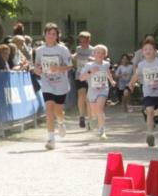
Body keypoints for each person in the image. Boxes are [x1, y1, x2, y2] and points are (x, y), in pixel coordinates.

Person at [33, 22, 72, 150]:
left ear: (57, 36)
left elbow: (70, 66)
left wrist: (59, 68)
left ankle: (61, 122)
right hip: (47, 83)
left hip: (61, 83)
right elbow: (37, 66)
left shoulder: (63, 49)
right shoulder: (39, 50)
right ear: (44, 35)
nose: (51, 36)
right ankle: (51, 139)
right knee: (49, 109)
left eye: (53, 34)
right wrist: (37, 70)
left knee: (58, 111)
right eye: (48, 33)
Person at [131, 36, 158, 147]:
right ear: (142, 53)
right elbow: (136, 75)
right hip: (148, 92)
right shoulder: (141, 64)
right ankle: (150, 134)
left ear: (155, 51)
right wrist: (130, 84)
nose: (148, 51)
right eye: (145, 50)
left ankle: (154, 116)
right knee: (150, 110)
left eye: (150, 49)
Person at [79, 44, 114, 139]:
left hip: (103, 89)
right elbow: (81, 78)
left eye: (103, 53)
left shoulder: (106, 64)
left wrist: (111, 81)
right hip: (92, 91)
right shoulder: (89, 65)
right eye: (98, 52)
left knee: (99, 108)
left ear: (105, 55)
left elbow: (107, 72)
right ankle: (94, 120)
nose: (100, 54)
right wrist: (91, 72)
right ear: (93, 54)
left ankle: (102, 130)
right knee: (94, 112)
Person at [73, 31, 94, 129]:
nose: (82, 44)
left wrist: (92, 60)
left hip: (90, 76)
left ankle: (90, 119)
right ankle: (82, 116)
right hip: (80, 75)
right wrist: (73, 58)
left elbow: (98, 61)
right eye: (81, 42)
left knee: (89, 98)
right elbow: (73, 59)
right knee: (81, 95)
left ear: (89, 41)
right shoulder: (78, 49)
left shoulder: (93, 50)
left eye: (85, 41)